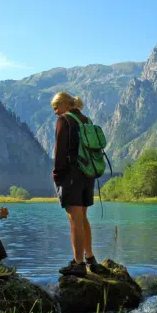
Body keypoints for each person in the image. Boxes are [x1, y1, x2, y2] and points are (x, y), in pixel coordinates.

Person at [52, 92, 100, 277]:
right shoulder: (85, 119)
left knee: (74, 219)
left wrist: (57, 174)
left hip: (71, 176)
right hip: (87, 175)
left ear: (65, 104)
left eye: (56, 107)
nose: (55, 112)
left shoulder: (64, 120)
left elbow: (60, 152)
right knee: (83, 218)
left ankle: (78, 263)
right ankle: (90, 258)